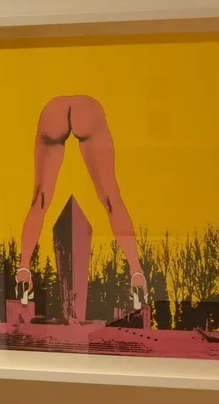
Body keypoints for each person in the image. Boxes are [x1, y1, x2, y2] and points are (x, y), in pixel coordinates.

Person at [14, 95, 147, 314]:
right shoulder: (88, 107)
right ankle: (137, 274)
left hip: (52, 111)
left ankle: (23, 270)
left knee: (40, 199)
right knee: (111, 200)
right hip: (88, 109)